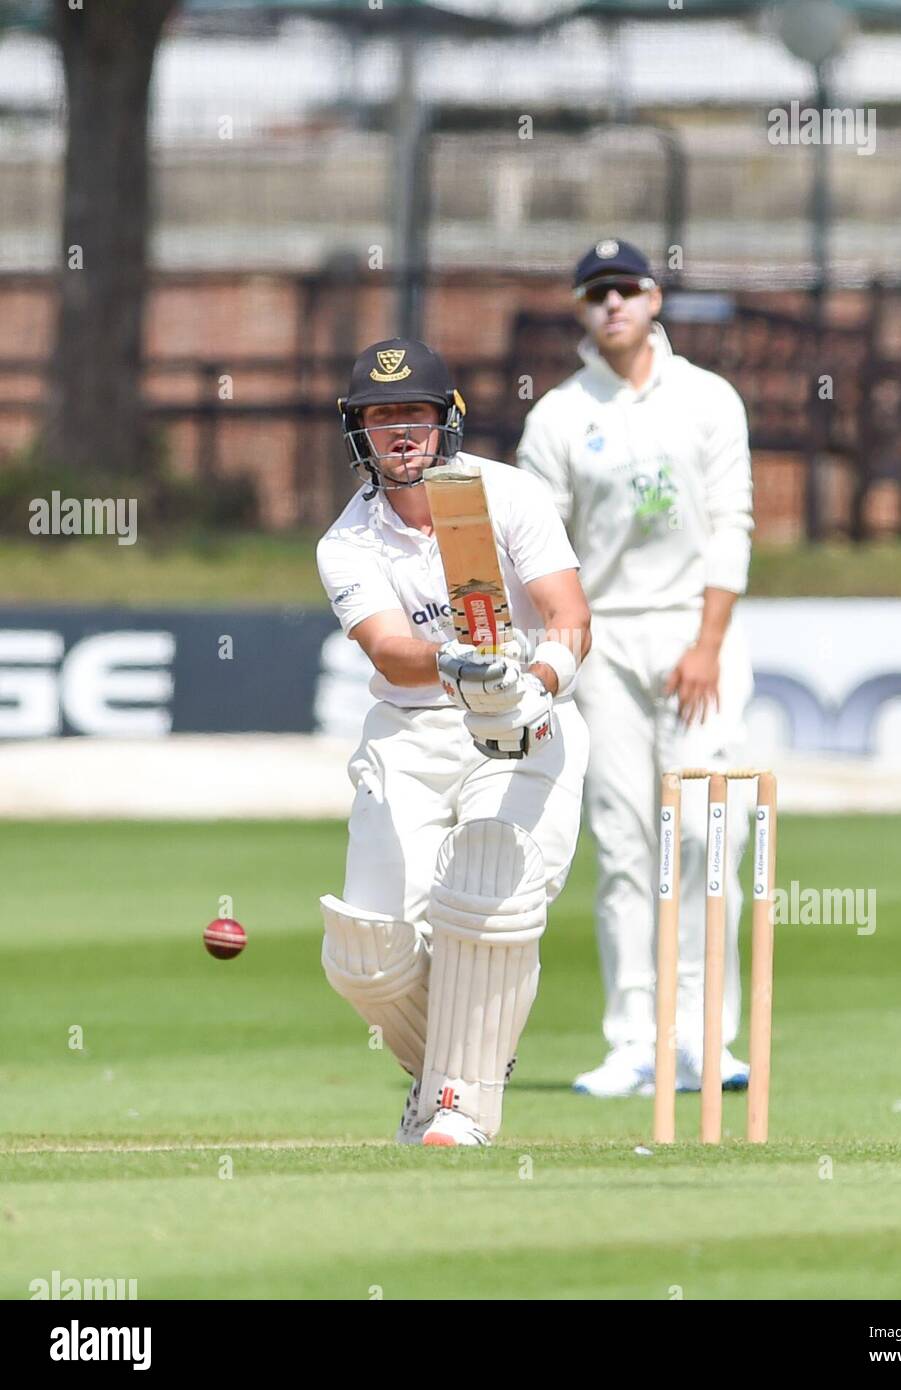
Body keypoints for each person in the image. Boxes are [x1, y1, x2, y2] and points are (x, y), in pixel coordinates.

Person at [316, 337, 591, 1145]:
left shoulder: (506, 496)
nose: (399, 433)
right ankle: (465, 1061)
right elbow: (390, 650)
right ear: (357, 433)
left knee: (487, 898)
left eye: (414, 414)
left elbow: (569, 616)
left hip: (520, 720)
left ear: (447, 424)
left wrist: (531, 686)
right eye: (379, 417)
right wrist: (457, 665)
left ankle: (455, 1109)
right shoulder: (347, 543)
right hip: (409, 729)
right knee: (366, 955)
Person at [517, 239, 755, 1098]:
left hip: (698, 634)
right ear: (581, 310)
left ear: (654, 298)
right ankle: (634, 1041)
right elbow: (538, 547)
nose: (612, 304)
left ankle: (703, 1038)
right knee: (623, 842)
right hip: (604, 639)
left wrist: (707, 644)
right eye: (595, 293)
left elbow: (733, 523)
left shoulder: (707, 400)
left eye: (626, 289)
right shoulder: (558, 416)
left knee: (700, 836)